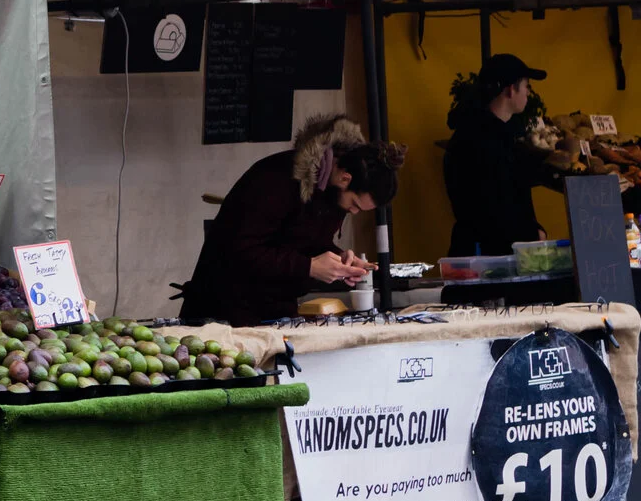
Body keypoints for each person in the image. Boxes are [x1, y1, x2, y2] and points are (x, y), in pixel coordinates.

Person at [181, 114, 405, 325]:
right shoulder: (275, 180)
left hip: (273, 314)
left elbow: (303, 242)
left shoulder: (330, 192)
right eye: (355, 204)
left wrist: (338, 260)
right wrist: (309, 267)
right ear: (345, 178)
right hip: (221, 314)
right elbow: (241, 251)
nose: (353, 212)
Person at [442, 52, 555, 255]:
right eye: (526, 85)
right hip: (489, 257)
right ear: (511, 90)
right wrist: (532, 234)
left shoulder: (492, 134)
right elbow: (492, 206)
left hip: (494, 251)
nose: (528, 92)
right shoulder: (482, 141)